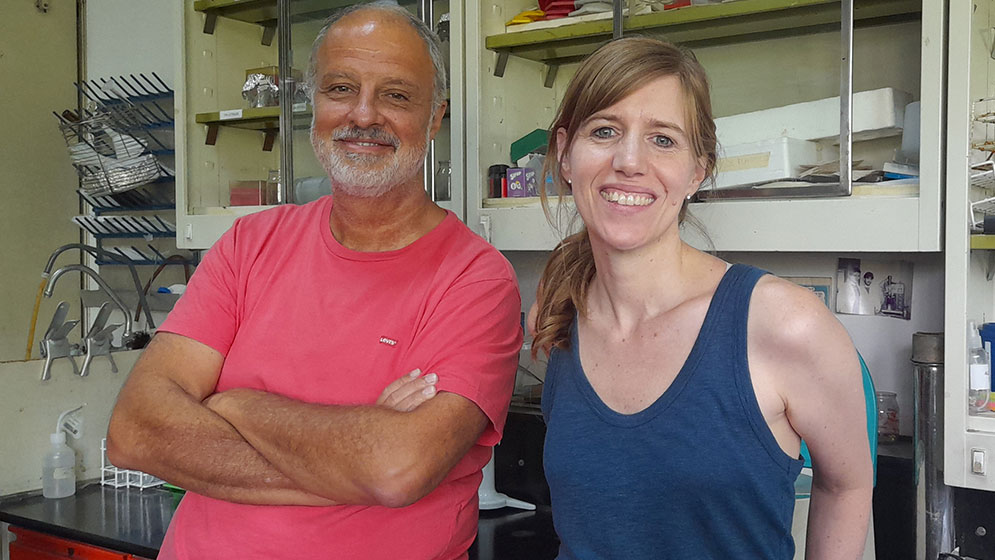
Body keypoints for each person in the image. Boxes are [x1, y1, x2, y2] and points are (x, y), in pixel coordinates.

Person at [106, 4, 522, 559]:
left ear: (434, 117)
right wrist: (354, 460)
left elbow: (397, 468)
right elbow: (134, 431)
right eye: (341, 88)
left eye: (397, 95)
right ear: (314, 102)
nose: (364, 115)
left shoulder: (474, 280)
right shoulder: (248, 245)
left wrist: (237, 406)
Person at [528, 38, 872, 559]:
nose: (629, 161)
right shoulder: (557, 311)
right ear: (564, 154)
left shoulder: (785, 324)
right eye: (604, 131)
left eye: (663, 140)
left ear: (697, 171)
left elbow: (846, 486)